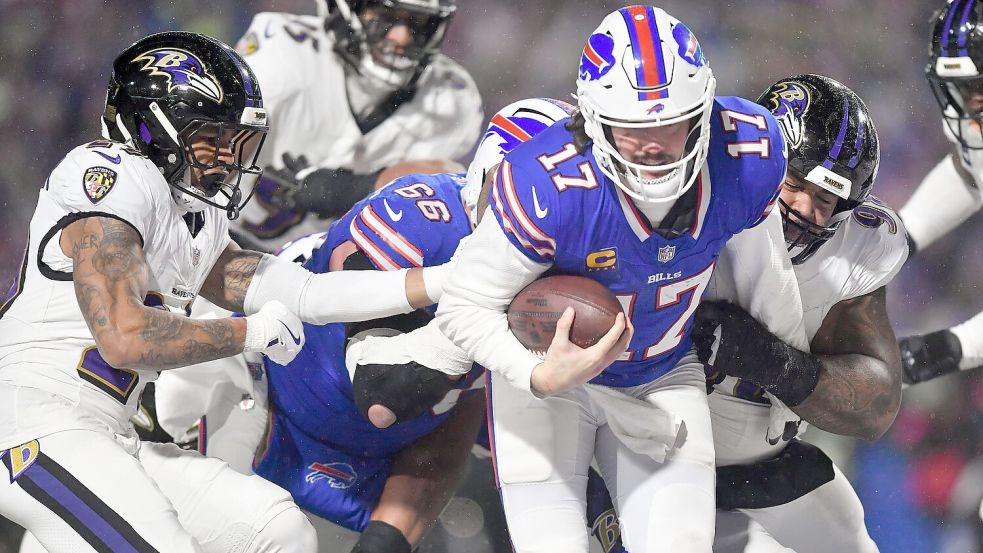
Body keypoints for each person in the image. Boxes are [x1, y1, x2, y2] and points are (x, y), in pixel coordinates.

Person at [0, 31, 448, 553]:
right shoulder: (111, 174)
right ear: (151, 128)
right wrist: (249, 333)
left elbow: (309, 293)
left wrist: (446, 281)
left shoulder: (193, 215)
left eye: (234, 141)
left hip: (106, 432)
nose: (226, 159)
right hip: (34, 417)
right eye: (210, 137)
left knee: (278, 530)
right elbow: (124, 336)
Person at [432, 6, 808, 551]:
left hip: (662, 371)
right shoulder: (547, 181)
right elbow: (462, 306)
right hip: (546, 383)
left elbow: (765, 272)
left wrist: (785, 374)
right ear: (592, 119)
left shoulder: (747, 153)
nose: (654, 143)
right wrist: (536, 374)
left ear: (704, 112)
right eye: (633, 127)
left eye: (671, 121)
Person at [148, 98, 574, 553]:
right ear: (491, 177)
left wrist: (389, 536)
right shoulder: (421, 221)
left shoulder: (578, 262)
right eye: (531, 196)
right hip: (262, 386)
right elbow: (381, 393)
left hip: (379, 454)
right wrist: (478, 313)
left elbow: (454, 419)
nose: (544, 220)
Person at [585, 74, 906, 553]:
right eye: (795, 183)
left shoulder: (853, 249)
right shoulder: (683, 194)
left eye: (826, 199)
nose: (806, 211)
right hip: (642, 447)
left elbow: (877, 405)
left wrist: (771, 361)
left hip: (760, 458)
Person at [232, 0, 483, 248]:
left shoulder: (449, 97)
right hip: (225, 239)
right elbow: (220, 148)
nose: (402, 37)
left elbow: (447, 186)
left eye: (418, 22)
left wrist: (345, 189)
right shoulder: (284, 47)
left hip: (329, 270)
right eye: (385, 16)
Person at [898, 0, 983, 384]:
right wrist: (902, 236)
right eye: (961, 87)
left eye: (980, 85)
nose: (970, 102)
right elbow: (970, 171)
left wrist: (956, 346)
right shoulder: (968, 118)